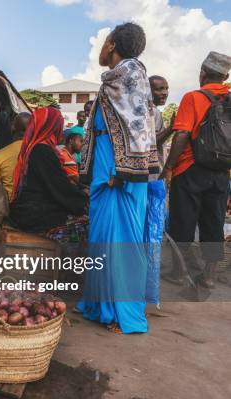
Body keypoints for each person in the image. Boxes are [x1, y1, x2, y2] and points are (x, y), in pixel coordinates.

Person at [77, 22, 157, 334]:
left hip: (117, 173)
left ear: (111, 44)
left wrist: (121, 171)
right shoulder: (123, 74)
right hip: (109, 168)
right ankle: (100, 305)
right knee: (102, 239)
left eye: (104, 40)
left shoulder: (128, 72)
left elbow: (137, 125)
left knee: (118, 241)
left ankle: (117, 311)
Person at [161, 51, 231, 288]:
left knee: (183, 222)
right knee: (214, 222)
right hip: (222, 172)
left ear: (202, 73)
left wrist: (169, 166)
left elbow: (181, 134)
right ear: (225, 76)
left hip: (191, 168)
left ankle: (179, 272)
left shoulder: (193, 97)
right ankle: (209, 276)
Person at [9, 107, 88, 232]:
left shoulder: (37, 148)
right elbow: (58, 186)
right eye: (59, 127)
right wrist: (84, 198)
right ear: (51, 127)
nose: (61, 132)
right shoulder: (42, 150)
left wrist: (81, 190)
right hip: (33, 214)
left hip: (27, 209)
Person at [0, 112, 31, 198]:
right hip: (35, 207)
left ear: (13, 128)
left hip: (8, 205)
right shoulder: (41, 153)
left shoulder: (1, 155)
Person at [149, 75, 174, 166]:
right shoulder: (153, 111)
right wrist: (171, 128)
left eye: (166, 89)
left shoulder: (151, 110)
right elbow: (153, 142)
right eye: (159, 89)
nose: (165, 93)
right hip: (153, 167)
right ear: (148, 91)